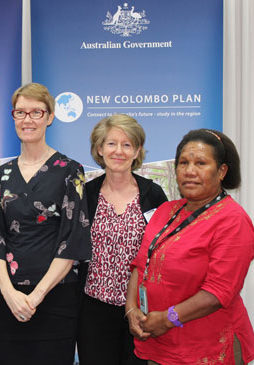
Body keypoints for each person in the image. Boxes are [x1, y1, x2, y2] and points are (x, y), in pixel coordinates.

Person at [126, 129, 254, 364]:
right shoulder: (166, 211)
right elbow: (140, 264)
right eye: (183, 163)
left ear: (221, 171)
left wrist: (168, 319)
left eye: (200, 163)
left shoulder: (232, 220)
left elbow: (218, 292)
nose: (189, 171)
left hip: (207, 347)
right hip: (157, 344)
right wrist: (131, 309)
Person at [0, 83, 91, 365]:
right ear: (13, 116)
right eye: (20, 112)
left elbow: (72, 240)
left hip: (55, 296)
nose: (27, 119)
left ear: (50, 117)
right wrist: (9, 293)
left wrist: (35, 296)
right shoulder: (2, 175)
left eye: (36, 112)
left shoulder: (70, 171)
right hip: (10, 297)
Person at [77, 114, 167, 365]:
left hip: (139, 310)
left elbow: (162, 251)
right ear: (99, 149)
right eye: (111, 144)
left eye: (127, 145)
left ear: (137, 151)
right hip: (93, 309)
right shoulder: (86, 195)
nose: (119, 151)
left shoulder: (153, 194)